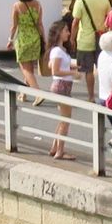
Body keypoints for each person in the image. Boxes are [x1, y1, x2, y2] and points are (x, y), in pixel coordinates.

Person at [46, 22, 79, 160]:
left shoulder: (59, 50)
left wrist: (71, 67)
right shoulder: (58, 51)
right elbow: (55, 70)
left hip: (62, 85)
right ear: (59, 32)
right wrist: (72, 73)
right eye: (66, 30)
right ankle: (60, 151)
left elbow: (51, 65)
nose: (68, 33)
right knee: (66, 119)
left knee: (63, 118)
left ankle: (55, 148)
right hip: (61, 86)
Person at [9, 0, 45, 87]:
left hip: (23, 40)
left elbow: (14, 26)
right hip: (35, 39)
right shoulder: (37, 4)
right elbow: (40, 24)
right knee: (30, 68)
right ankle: (24, 93)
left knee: (25, 69)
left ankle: (37, 91)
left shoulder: (17, 6)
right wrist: (44, 39)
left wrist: (10, 40)